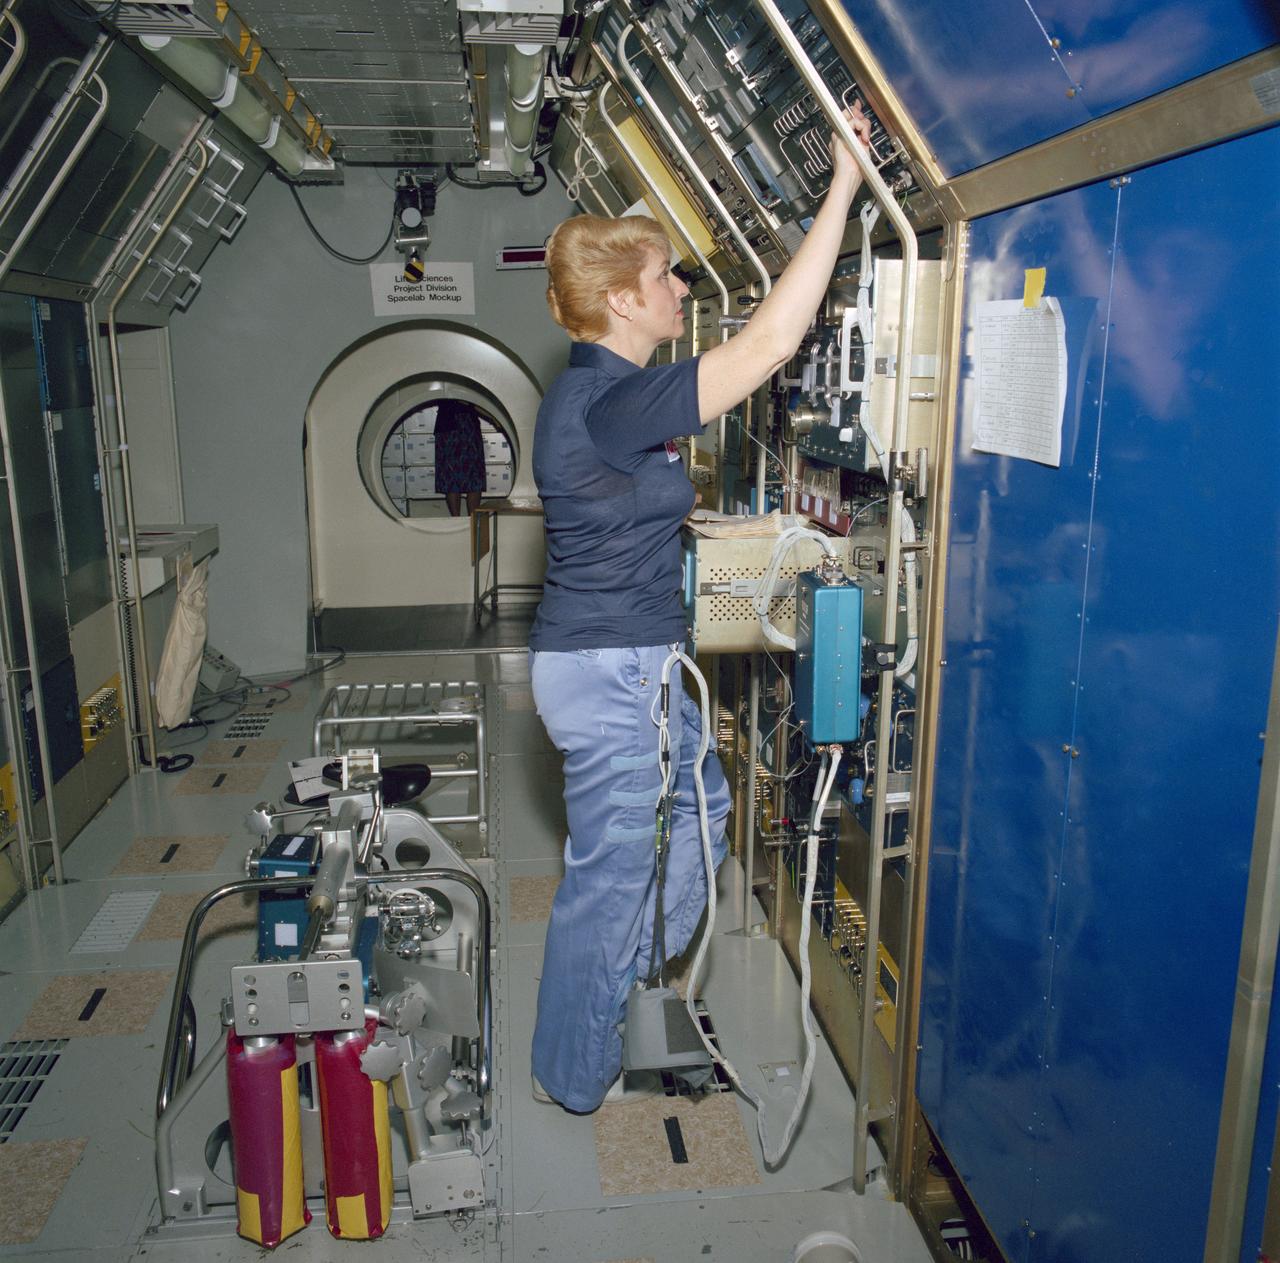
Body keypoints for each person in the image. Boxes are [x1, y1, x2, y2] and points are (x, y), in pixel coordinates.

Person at [527, 107, 872, 1112]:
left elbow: (622, 503)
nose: (682, 288)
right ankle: (575, 1075)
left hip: (628, 664)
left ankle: (622, 992)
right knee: (610, 882)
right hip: (613, 674)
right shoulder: (613, 398)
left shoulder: (603, 395)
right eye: (667, 277)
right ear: (623, 301)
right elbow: (770, 341)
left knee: (701, 820)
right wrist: (844, 184)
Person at [433, 398, 486, 516]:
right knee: (473, 476)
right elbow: (471, 399)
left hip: (448, 423)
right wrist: (493, 418)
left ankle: (458, 520)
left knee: (452, 476)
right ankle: (472, 520)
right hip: (464, 423)